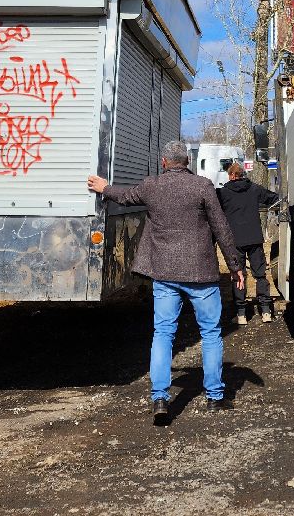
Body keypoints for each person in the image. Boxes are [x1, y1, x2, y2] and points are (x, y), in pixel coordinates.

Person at [88, 140, 244, 424]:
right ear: (187, 161)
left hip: (164, 273)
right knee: (210, 333)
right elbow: (221, 226)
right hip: (200, 273)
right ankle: (214, 397)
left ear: (163, 162)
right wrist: (235, 266)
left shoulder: (152, 186)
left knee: (163, 334)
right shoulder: (202, 186)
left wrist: (103, 188)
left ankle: (160, 396)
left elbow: (125, 196)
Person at [216, 161, 280, 325]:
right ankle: (265, 310)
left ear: (231, 175)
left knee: (239, 276)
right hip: (254, 239)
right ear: (243, 174)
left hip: (235, 240)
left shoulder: (223, 193)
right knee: (260, 275)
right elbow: (273, 198)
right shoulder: (254, 189)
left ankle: (241, 314)